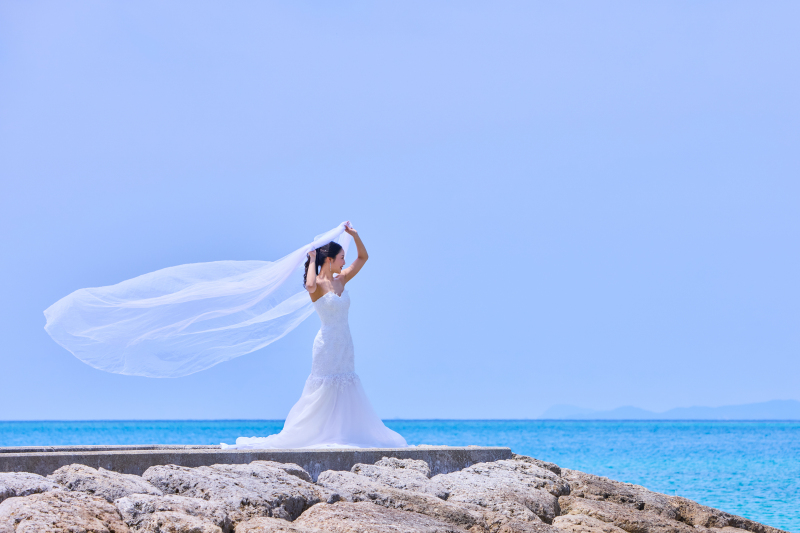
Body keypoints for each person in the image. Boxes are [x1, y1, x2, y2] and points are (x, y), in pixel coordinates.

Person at [221, 223, 407, 449]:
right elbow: (309, 285)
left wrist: (355, 236)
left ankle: (342, 432)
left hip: (345, 343)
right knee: (324, 387)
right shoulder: (317, 284)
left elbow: (363, 258)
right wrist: (311, 260)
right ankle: (314, 433)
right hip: (326, 344)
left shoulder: (341, 279)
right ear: (329, 259)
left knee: (346, 383)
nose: (344, 262)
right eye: (341, 258)